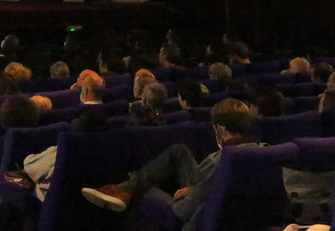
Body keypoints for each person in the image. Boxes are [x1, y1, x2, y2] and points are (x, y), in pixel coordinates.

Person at [81, 98, 264, 230]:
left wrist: (187, 195)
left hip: (193, 214)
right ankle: (124, 189)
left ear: (220, 129)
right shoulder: (263, 151)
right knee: (179, 151)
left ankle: (126, 191)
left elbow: (185, 212)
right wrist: (194, 190)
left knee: (145, 190)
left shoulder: (217, 160)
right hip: (220, 202)